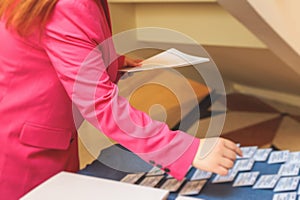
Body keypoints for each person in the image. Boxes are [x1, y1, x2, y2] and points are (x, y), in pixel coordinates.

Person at [0, 0, 242, 199]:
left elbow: (61, 45)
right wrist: (187, 150)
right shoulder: (69, 4)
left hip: (42, 139)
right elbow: (101, 104)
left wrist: (110, 60)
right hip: (22, 155)